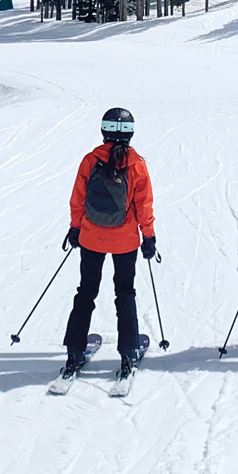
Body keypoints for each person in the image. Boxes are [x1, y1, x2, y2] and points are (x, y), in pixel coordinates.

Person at [60, 106, 157, 385]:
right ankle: (127, 354)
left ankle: (73, 352)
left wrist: (75, 228)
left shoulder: (90, 160)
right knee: (124, 293)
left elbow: (77, 199)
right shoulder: (136, 163)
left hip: (91, 236)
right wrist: (148, 237)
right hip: (124, 240)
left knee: (86, 292)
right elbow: (144, 205)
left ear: (103, 130)